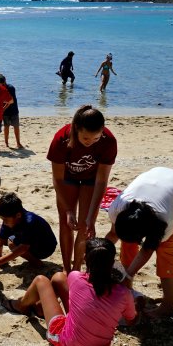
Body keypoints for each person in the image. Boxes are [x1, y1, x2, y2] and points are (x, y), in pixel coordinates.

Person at [2, 238, 137, 346]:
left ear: (85, 258)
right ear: (113, 262)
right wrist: (137, 306)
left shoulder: (76, 278)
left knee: (41, 280)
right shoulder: (124, 293)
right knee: (59, 278)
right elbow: (131, 320)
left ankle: (21, 305)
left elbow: (85, 287)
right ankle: (39, 307)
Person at [105, 167, 173, 318]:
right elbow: (113, 234)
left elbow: (148, 249)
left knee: (165, 248)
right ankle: (128, 289)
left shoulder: (163, 220)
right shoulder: (117, 208)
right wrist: (97, 257)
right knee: (128, 241)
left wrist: (128, 275)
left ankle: (167, 305)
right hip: (159, 178)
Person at [47, 105, 117, 273]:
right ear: (77, 129)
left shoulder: (108, 141)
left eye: (95, 139)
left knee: (85, 226)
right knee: (66, 222)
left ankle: (77, 267)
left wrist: (92, 217)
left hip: (91, 180)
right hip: (67, 178)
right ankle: (66, 267)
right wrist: (69, 210)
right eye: (86, 138)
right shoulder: (61, 139)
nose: (90, 143)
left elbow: (101, 181)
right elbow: (57, 179)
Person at [0, 193, 57, 271]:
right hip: (27, 241)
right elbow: (1, 240)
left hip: (44, 248)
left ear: (18, 215)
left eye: (5, 219)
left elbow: (23, 248)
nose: (4, 222)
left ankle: (36, 262)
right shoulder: (13, 217)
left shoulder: (29, 222)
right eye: (2, 219)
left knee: (12, 243)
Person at [1, 78, 23, 149]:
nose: (2, 85)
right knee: (6, 127)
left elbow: (11, 100)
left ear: (5, 81)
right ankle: (6, 143)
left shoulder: (11, 88)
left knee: (16, 127)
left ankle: (18, 143)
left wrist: (2, 109)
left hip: (13, 110)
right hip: (5, 112)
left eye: (3, 83)